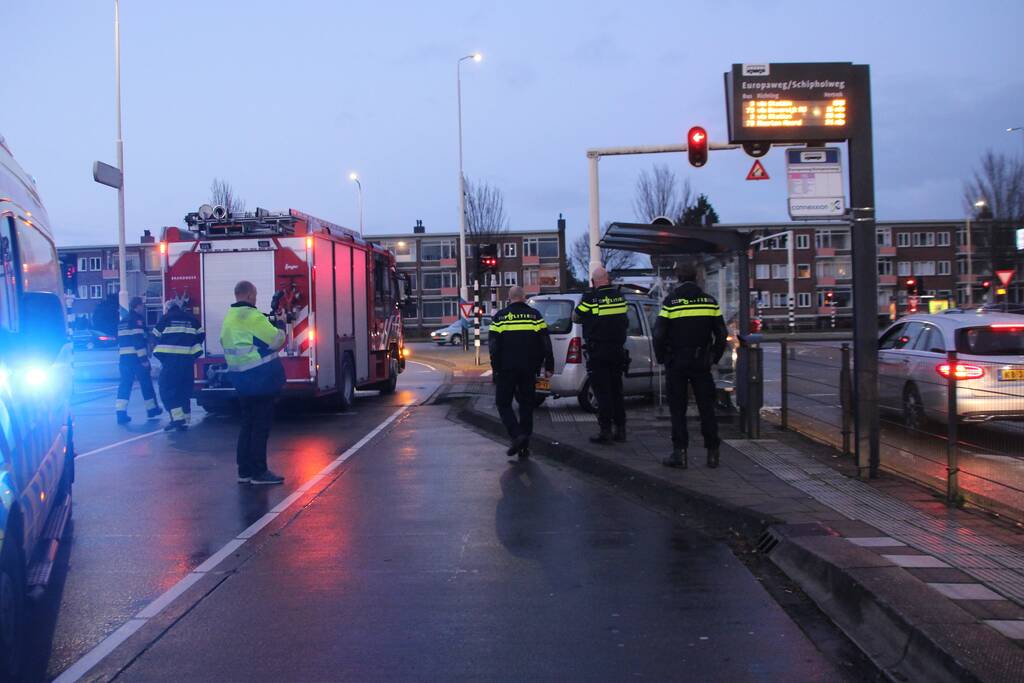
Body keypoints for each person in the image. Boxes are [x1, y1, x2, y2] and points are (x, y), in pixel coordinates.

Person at [653, 263, 728, 469]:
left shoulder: (671, 303)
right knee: (707, 408)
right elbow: (721, 334)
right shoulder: (709, 302)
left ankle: (680, 454)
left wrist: (663, 358)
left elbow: (658, 334)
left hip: (677, 362)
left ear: (678, 278)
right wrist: (713, 357)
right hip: (701, 362)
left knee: (678, 409)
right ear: (696, 277)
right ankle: (712, 453)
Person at [221, 281, 287, 485]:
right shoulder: (252, 317)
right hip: (261, 380)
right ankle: (260, 472)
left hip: (241, 381)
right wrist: (282, 324)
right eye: (255, 295)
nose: (256, 298)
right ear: (249, 295)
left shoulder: (229, 318)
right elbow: (276, 340)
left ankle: (245, 471)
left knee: (247, 425)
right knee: (260, 427)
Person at [489, 285, 554, 459]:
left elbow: (494, 347)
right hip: (529, 368)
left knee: (503, 403)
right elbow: (545, 342)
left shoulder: (500, 317)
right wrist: (549, 366)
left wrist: (495, 369)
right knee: (526, 405)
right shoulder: (535, 316)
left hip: (506, 369)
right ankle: (524, 444)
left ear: (510, 298)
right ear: (524, 297)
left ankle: (517, 435)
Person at [573, 266, 629, 444]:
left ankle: (605, 431)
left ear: (593, 281)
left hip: (598, 351)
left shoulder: (591, 298)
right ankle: (621, 430)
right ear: (608, 279)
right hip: (617, 350)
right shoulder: (620, 298)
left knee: (602, 392)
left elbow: (576, 317)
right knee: (617, 391)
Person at [153, 295, 204, 431]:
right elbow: (201, 334)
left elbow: (155, 335)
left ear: (167, 308)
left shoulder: (166, 318)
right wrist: (192, 348)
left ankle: (177, 419)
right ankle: (185, 420)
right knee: (184, 390)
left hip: (171, 362)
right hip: (188, 361)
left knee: (166, 389)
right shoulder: (192, 319)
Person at [116, 296, 162, 424]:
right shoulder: (136, 320)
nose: (143, 307)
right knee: (146, 384)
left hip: (124, 359)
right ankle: (152, 409)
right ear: (137, 306)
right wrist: (143, 359)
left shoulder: (123, 321)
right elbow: (137, 341)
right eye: (142, 305)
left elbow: (121, 341)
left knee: (125, 385)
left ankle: (120, 413)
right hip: (136, 359)